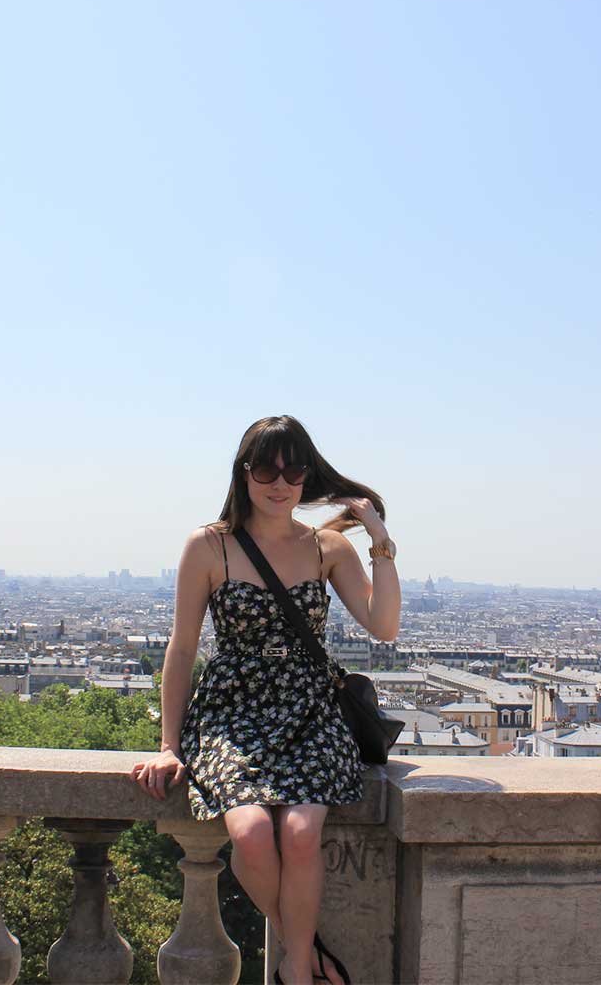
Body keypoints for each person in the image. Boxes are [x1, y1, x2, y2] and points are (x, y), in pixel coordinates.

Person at [130, 415, 401, 985]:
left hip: (310, 710)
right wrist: (169, 745)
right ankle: (308, 955)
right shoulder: (209, 546)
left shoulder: (326, 547)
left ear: (306, 476)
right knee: (250, 834)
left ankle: (295, 969)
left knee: (301, 833)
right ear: (244, 473)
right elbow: (182, 649)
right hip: (232, 712)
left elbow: (383, 626)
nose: (280, 483)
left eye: (293, 471)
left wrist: (379, 540)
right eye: (266, 470)